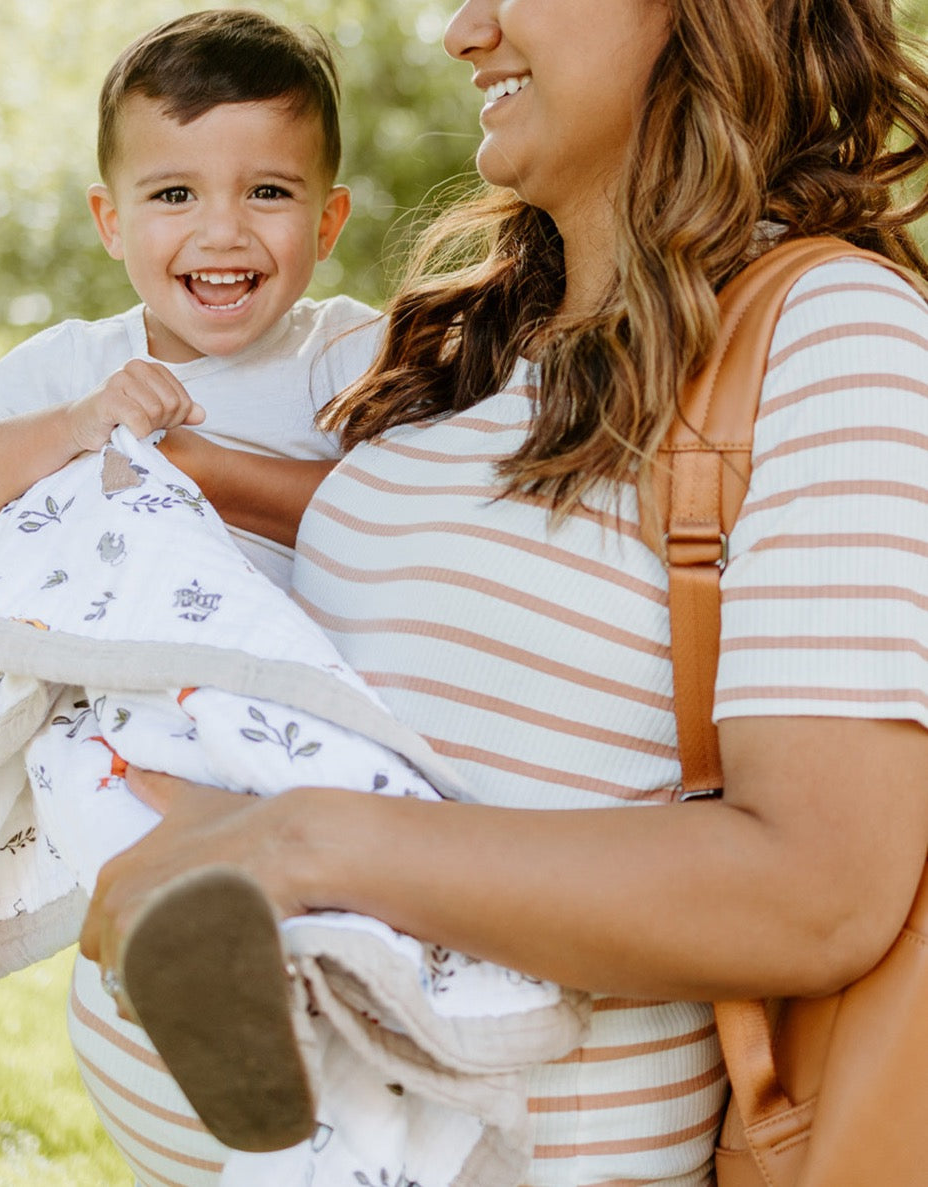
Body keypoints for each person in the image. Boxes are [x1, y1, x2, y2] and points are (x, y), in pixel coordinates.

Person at [74, 0, 928, 1184]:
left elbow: (817, 887)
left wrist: (298, 841)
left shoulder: (831, 334)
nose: (460, 29)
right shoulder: (483, 338)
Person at [0, 8, 373, 592]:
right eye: (175, 194)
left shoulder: (350, 354)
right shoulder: (76, 368)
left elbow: (410, 517)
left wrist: (197, 469)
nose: (221, 232)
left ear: (327, 222)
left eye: (267, 192)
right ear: (111, 223)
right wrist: (72, 428)